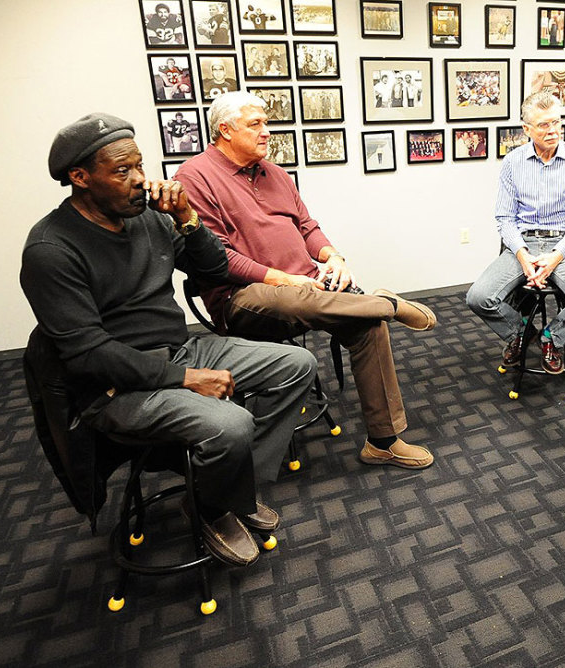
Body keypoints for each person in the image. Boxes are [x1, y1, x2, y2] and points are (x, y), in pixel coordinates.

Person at [22, 113, 316, 567]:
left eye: (140, 166)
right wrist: (184, 378)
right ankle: (214, 508)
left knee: (296, 365)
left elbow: (215, 271)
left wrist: (187, 218)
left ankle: (225, 489)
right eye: (123, 171)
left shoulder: (150, 219)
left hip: (177, 350)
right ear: (79, 178)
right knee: (231, 424)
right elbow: (89, 354)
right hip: (113, 385)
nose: (140, 180)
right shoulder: (51, 249)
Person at [174, 92, 439, 471]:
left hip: (309, 286)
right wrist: (282, 278)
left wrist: (334, 257)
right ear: (225, 130)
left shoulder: (275, 174)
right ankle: (389, 303)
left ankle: (383, 441)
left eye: (266, 122)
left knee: (367, 325)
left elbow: (307, 227)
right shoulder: (195, 177)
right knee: (296, 298)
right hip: (244, 297)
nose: (267, 131)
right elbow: (217, 257)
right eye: (256, 124)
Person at [466, 91, 565, 374]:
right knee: (478, 297)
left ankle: (550, 337)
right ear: (526, 129)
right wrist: (523, 256)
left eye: (556, 122)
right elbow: (505, 218)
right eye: (543, 125)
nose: (553, 130)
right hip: (524, 242)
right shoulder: (513, 162)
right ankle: (520, 333)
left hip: (563, 244)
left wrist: (555, 256)